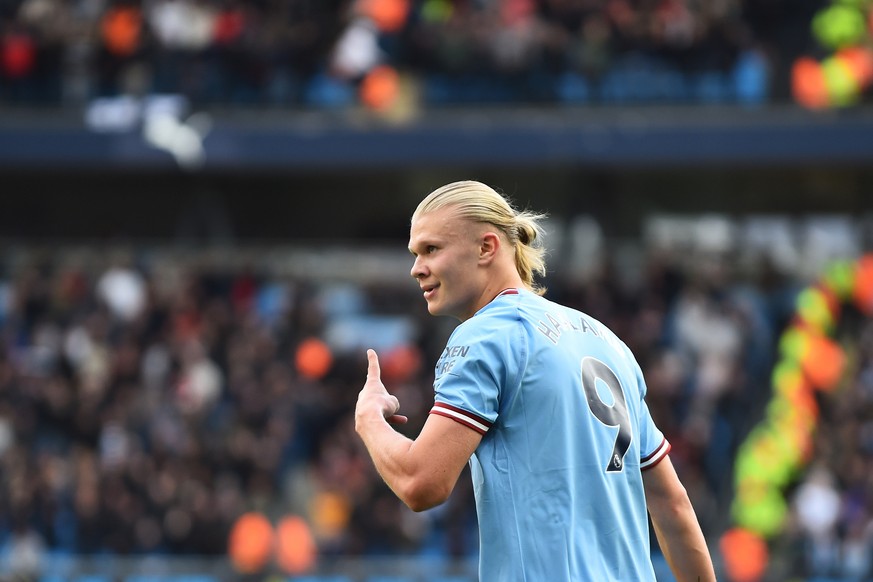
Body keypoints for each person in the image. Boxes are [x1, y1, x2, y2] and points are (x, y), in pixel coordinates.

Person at [355, 180, 716, 581]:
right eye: (415, 253)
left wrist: (369, 419)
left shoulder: (487, 335)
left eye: (431, 249)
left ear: (486, 248)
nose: (416, 268)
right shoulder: (607, 343)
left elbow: (422, 483)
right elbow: (673, 505)